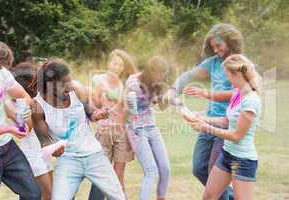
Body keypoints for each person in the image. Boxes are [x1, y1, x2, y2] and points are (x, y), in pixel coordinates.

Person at [164, 23, 245, 200]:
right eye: (213, 47)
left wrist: (207, 93)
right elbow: (188, 76)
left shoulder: (239, 64)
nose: (216, 50)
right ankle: (230, 196)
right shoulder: (213, 63)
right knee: (199, 168)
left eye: (219, 45)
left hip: (227, 124)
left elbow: (238, 93)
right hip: (207, 121)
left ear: (230, 41)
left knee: (215, 173)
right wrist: (172, 89)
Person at [31, 59, 125, 200]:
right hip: (68, 160)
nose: (69, 86)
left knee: (118, 197)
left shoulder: (76, 89)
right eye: (64, 83)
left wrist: (97, 114)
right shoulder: (38, 107)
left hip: (94, 155)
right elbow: (45, 141)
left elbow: (91, 113)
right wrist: (54, 149)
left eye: (70, 81)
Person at [183, 54, 261, 200]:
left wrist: (205, 127)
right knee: (208, 196)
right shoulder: (238, 94)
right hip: (226, 155)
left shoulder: (251, 100)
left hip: (242, 161)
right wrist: (201, 118)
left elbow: (236, 136)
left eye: (228, 76)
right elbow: (226, 121)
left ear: (237, 74)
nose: (227, 80)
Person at [0, 38, 41, 200]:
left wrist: (21, 115)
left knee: (33, 193)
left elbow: (24, 96)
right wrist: (9, 128)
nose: (1, 69)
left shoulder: (2, 74)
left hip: (7, 148)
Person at [89, 49, 136, 200]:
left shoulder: (125, 86)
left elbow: (128, 112)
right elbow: (93, 105)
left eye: (120, 65)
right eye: (115, 63)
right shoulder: (98, 80)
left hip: (121, 133)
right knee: (100, 174)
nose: (117, 67)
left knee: (118, 175)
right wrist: (98, 94)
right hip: (103, 132)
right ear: (109, 63)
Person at [5, 62, 53, 200]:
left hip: (44, 152)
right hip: (32, 155)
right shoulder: (11, 105)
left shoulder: (38, 100)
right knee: (44, 193)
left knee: (50, 194)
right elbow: (27, 128)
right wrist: (26, 106)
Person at [124, 56, 171, 200]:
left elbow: (163, 107)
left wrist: (166, 95)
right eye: (157, 74)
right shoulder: (133, 82)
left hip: (152, 127)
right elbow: (126, 111)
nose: (160, 77)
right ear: (150, 72)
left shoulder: (158, 84)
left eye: (162, 75)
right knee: (151, 171)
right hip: (136, 130)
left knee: (165, 169)